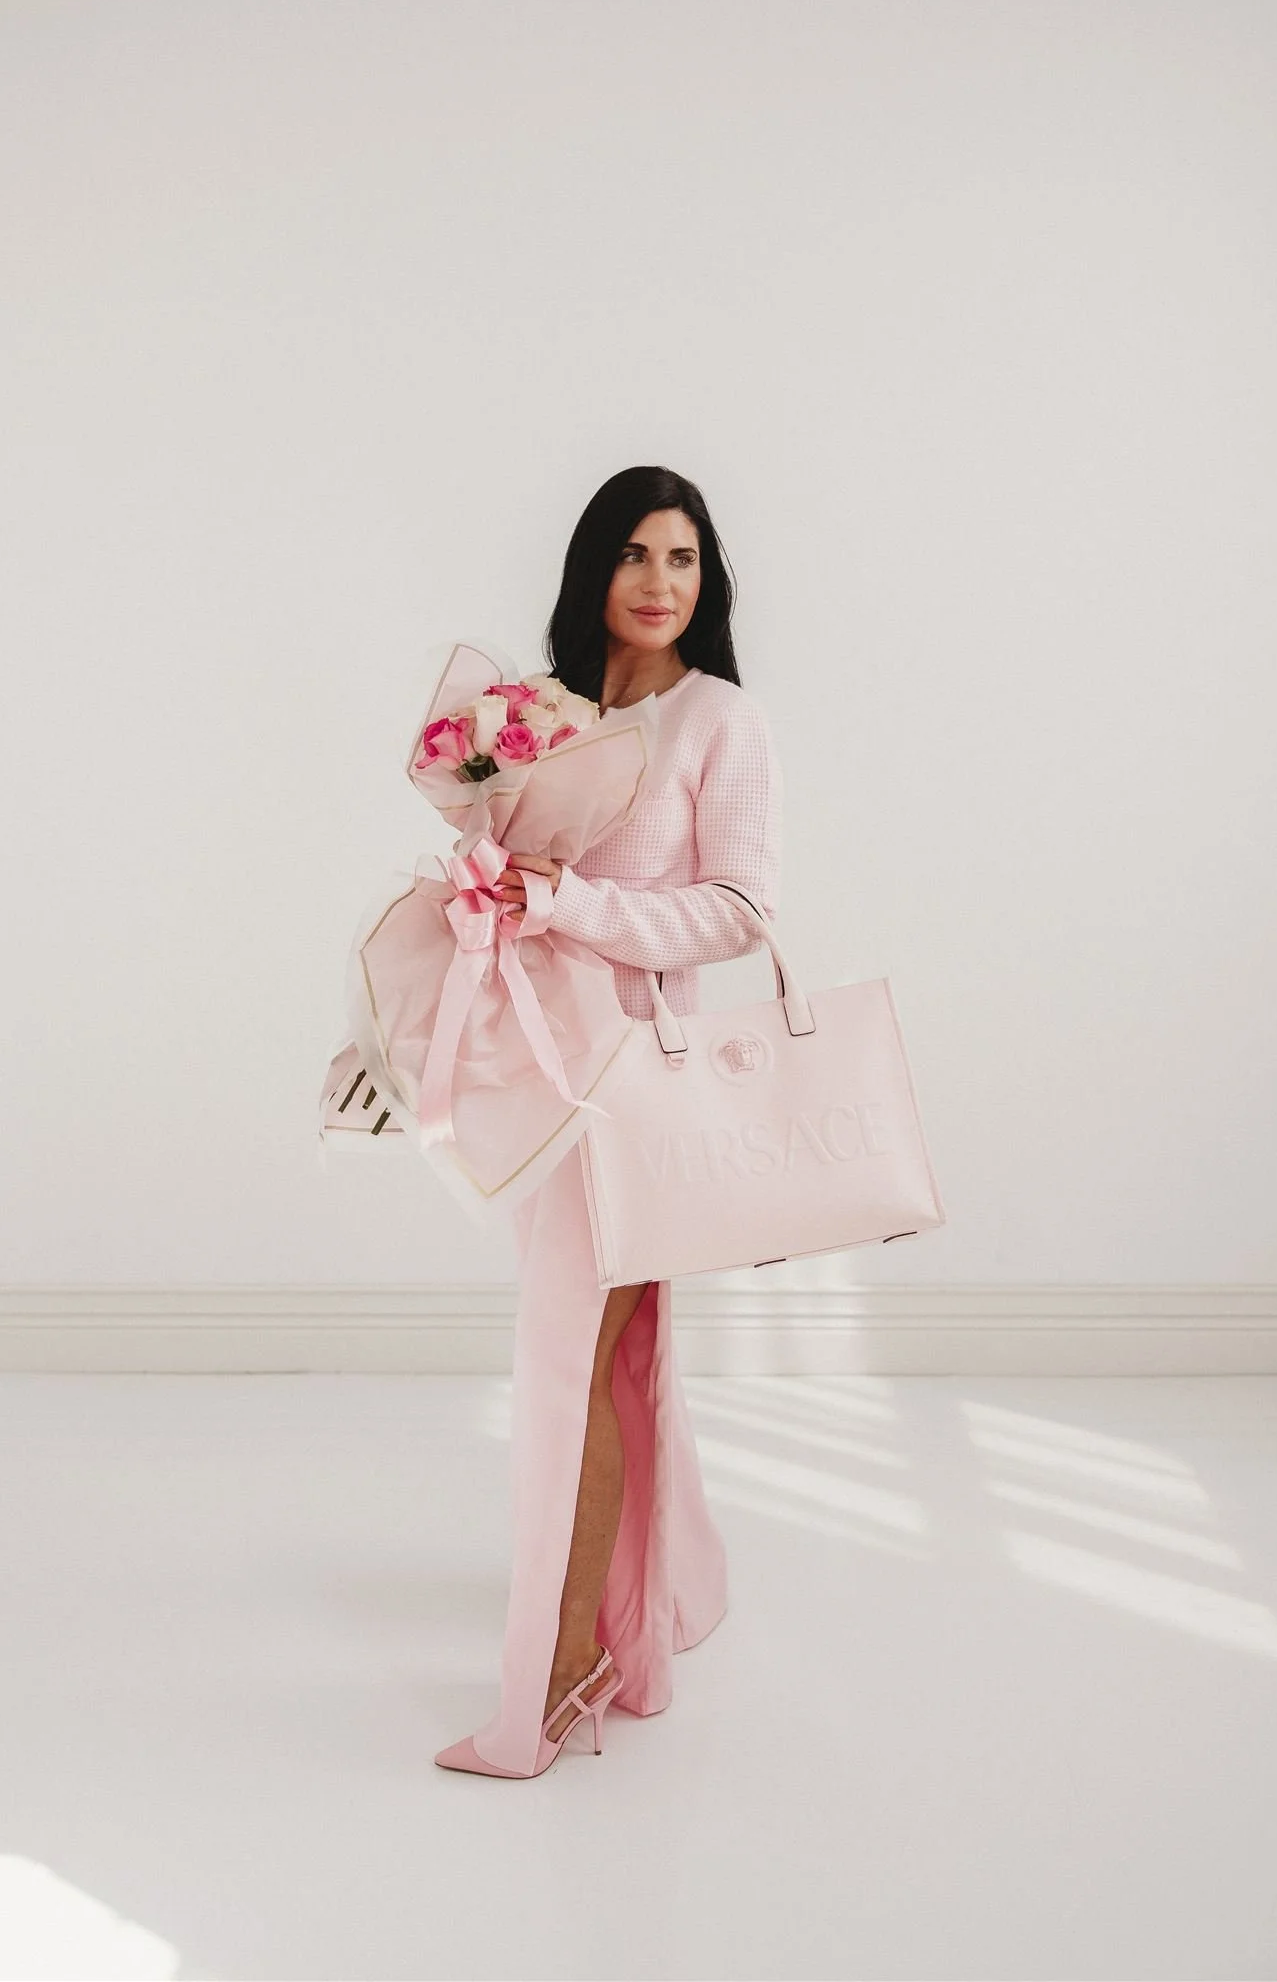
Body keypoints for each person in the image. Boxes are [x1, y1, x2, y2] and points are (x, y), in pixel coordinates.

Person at [433, 465, 784, 1779]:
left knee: (576, 1365)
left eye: (682, 558)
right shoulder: (543, 714)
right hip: (544, 1083)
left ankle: (563, 1665)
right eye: (636, 555)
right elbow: (499, 870)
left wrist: (573, 905)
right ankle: (647, 1604)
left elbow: (742, 907)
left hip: (641, 1090)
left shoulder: (720, 720)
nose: (658, 581)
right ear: (598, 569)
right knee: (600, 1363)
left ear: (709, 580)